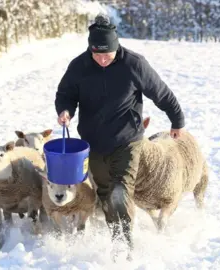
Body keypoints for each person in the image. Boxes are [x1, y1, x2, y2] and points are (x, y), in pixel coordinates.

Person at [54, 14, 185, 259]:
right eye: (97, 54)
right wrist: (65, 110)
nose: (103, 59)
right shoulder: (79, 66)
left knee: (120, 190)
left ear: (117, 47)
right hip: (93, 143)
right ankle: (115, 231)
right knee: (104, 192)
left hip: (127, 140)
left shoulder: (134, 64)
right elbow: (65, 94)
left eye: (108, 54)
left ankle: (124, 244)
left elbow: (161, 93)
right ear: (90, 48)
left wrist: (177, 120)